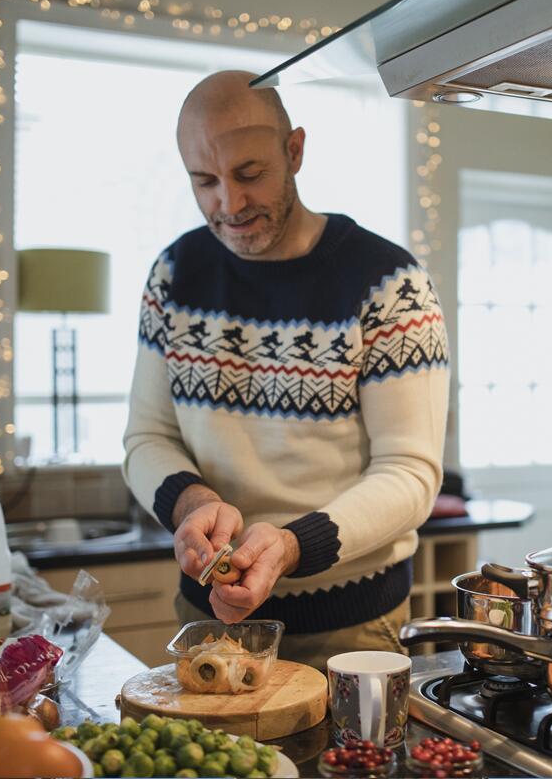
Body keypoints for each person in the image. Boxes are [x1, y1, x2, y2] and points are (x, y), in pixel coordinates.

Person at [122, 70, 449, 670]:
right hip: (208, 620)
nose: (229, 203)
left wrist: (295, 545)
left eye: (249, 174)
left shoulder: (388, 283)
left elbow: (410, 473)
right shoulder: (175, 273)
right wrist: (191, 504)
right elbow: (148, 437)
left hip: (350, 627)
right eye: (205, 181)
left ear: (294, 151)